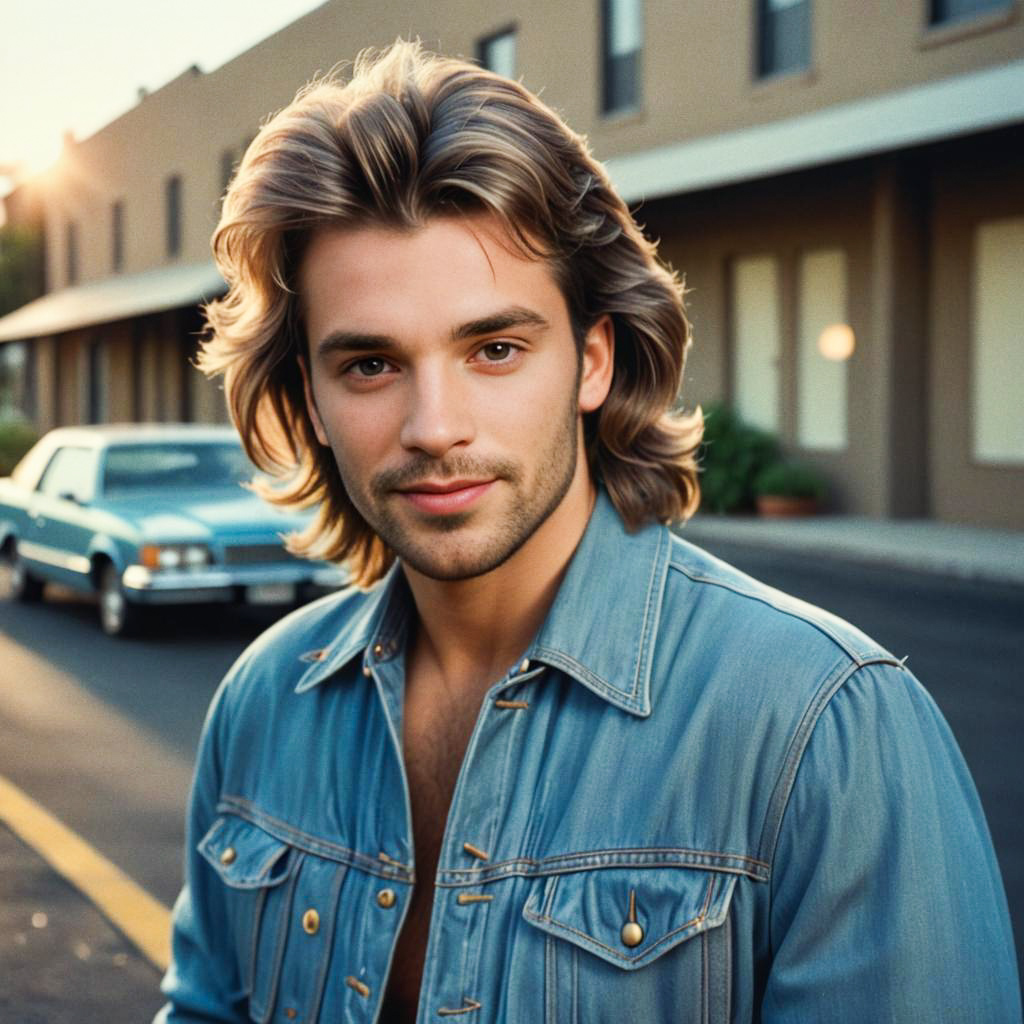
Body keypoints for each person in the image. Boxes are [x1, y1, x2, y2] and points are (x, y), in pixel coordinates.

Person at [156, 40, 1021, 1023]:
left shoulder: (823, 727)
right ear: (307, 394)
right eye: (369, 365)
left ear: (593, 360)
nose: (434, 425)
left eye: (494, 348)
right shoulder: (264, 704)